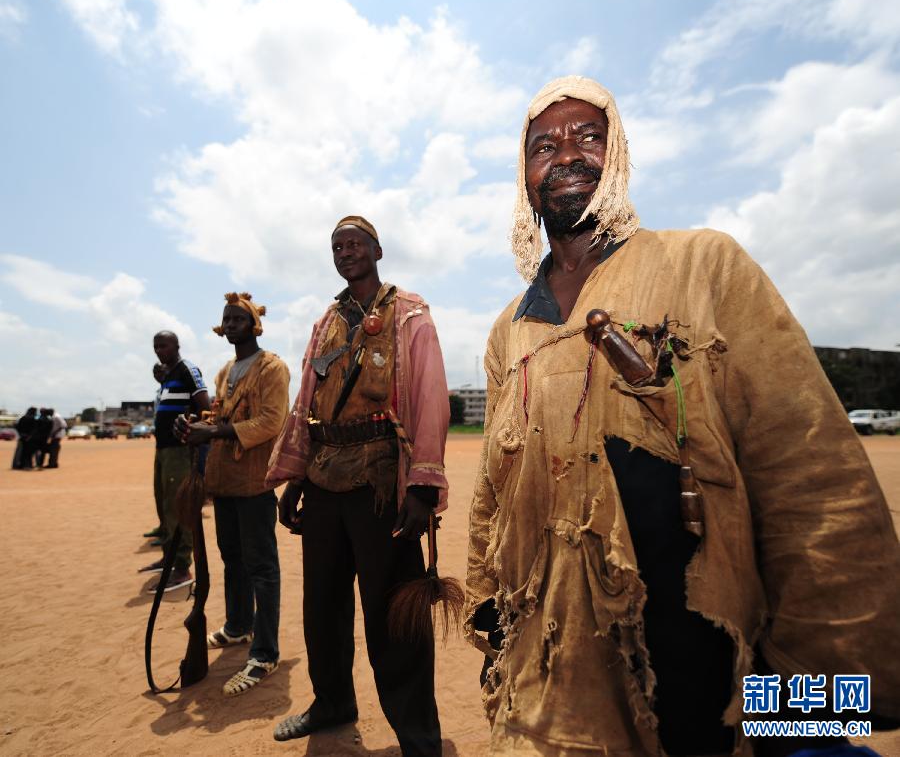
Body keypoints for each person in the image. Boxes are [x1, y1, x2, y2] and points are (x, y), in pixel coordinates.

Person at [465, 76, 900, 757]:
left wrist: (820, 686)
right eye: (543, 145)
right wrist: (490, 602)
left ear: (619, 157)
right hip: (554, 651)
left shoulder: (704, 263)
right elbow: (492, 491)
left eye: (588, 135)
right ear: (524, 176)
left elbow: (805, 468)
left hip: (688, 630)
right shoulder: (508, 329)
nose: (567, 153)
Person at [267, 215, 450, 755]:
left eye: (355, 244)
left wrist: (420, 488)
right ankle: (332, 703)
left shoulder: (409, 313)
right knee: (322, 606)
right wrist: (296, 478)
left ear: (377, 251)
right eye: (337, 246)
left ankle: (418, 734)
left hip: (380, 481)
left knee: (392, 614)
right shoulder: (326, 321)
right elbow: (307, 401)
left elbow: (430, 396)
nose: (345, 252)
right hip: (324, 478)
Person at [174, 292, 289, 697]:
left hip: (255, 482)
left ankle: (266, 651)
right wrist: (195, 424)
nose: (232, 324)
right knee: (232, 558)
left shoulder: (272, 367)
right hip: (223, 481)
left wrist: (216, 431)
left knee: (261, 565)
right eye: (227, 319)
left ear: (254, 325)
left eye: (239, 318)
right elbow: (219, 415)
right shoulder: (226, 370)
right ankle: (240, 625)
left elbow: (272, 421)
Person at [138, 331, 210, 592]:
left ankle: (182, 567)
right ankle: (169, 557)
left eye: (164, 345)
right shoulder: (167, 376)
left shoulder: (186, 370)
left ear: (177, 346)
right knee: (164, 504)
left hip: (180, 450)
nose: (159, 350)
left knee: (179, 507)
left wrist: (197, 435)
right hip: (163, 450)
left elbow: (206, 405)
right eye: (155, 346)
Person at [143, 363, 169, 542]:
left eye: (161, 371)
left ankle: (168, 531)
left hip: (172, 445)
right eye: (155, 372)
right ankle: (163, 526)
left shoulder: (173, 390)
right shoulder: (159, 392)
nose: (158, 374)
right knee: (159, 490)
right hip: (160, 443)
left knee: (169, 493)